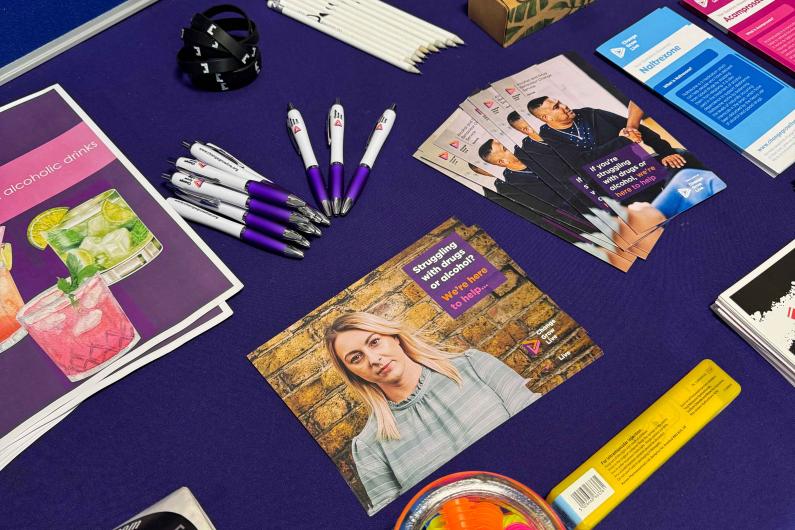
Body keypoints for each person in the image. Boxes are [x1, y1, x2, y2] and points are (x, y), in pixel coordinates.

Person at [324, 312, 540, 513]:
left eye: (374, 342)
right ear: (352, 374)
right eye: (356, 358)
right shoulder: (369, 446)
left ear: (394, 337)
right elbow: (398, 519)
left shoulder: (475, 366)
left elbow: (541, 429)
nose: (373, 359)